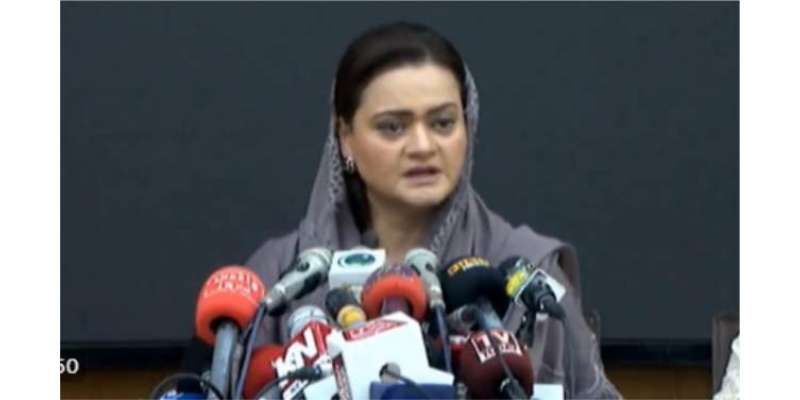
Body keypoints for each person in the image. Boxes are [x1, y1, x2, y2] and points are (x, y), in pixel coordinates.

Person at [246, 21, 622, 399]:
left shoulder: (528, 273)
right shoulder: (279, 277)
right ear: (345, 139)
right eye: (393, 127)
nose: (423, 146)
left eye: (443, 123)